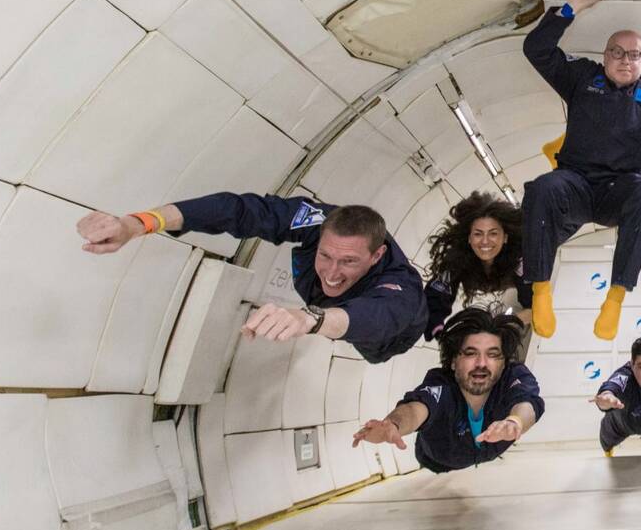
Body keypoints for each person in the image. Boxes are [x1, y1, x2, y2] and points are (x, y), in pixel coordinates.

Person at [522, 0, 641, 341]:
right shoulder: (582, 77)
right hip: (574, 181)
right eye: (617, 53)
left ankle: (615, 298)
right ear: (605, 57)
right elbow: (537, 50)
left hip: (618, 189)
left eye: (635, 55)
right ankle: (541, 289)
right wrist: (571, 8)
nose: (625, 61)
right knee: (541, 188)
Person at [77, 193, 426, 364]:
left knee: (387, 340)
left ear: (376, 256)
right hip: (331, 310)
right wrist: (138, 224)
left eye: (348, 262)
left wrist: (311, 319)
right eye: (325, 255)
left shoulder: (401, 286)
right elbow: (241, 211)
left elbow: (380, 316)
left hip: (390, 338)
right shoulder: (317, 221)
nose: (332, 273)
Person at [352, 307, 542, 473]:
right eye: (470, 354)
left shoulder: (513, 376)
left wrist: (514, 422)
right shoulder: (441, 385)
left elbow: (527, 401)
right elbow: (417, 408)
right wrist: (394, 424)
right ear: (453, 361)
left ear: (503, 363)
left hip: (485, 452)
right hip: (437, 459)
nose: (481, 363)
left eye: (492, 355)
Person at [423, 192, 533, 354]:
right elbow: (436, 296)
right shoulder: (457, 259)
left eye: (493, 233)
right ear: (468, 238)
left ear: (505, 237)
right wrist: (439, 330)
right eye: (478, 234)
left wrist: (498, 327)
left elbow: (534, 309)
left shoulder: (520, 259)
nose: (485, 241)